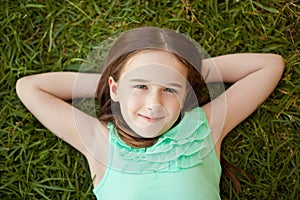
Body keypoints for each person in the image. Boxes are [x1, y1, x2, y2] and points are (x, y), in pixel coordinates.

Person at [16, 27, 284, 200]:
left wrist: (188, 73)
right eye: (141, 86)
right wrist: (113, 84)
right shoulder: (99, 141)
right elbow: (29, 87)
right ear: (115, 88)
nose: (154, 103)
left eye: (169, 88)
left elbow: (269, 66)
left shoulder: (204, 128)